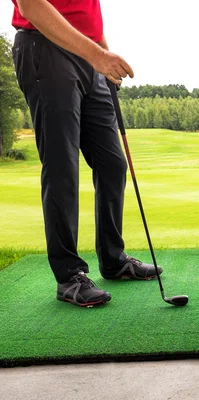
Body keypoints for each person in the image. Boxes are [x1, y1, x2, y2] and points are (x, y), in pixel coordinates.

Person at [10, 0, 162, 307]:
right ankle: (69, 276)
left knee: (112, 164)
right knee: (62, 167)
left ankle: (114, 259)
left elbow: (86, 13)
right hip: (45, 46)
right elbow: (31, 6)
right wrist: (99, 55)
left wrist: (104, 57)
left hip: (88, 58)